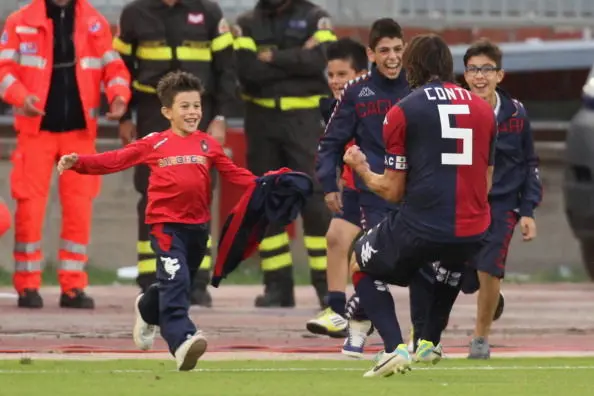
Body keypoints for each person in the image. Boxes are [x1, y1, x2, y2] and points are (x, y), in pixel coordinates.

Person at [57, 71, 256, 371]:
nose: (192, 113)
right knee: (176, 286)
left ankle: (147, 309)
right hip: (166, 227)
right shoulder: (155, 143)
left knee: (179, 283)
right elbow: (116, 159)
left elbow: (233, 173)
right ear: (167, 112)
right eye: (185, 107)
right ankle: (183, 339)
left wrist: (266, 183)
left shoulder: (208, 145)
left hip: (197, 230)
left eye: (196, 106)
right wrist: (80, 163)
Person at [344, 33, 497, 377]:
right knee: (444, 262)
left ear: (412, 66)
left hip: (424, 223)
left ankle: (393, 347)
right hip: (474, 226)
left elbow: (393, 191)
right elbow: (485, 182)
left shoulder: (403, 110)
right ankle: (428, 342)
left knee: (359, 259)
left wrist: (361, 169)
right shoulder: (484, 109)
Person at [0, 0, 131, 309]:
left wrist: (119, 98)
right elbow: (4, 72)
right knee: (30, 209)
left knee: (79, 210)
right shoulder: (20, 21)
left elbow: (114, 68)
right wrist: (22, 97)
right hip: (35, 132)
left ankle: (73, 287)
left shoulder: (94, 22)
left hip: (80, 135)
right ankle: (27, 286)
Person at [113, 0, 236, 306]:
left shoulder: (208, 12)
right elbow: (120, 70)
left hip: (198, 113)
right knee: (151, 193)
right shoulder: (133, 14)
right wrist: (125, 117)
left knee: (199, 192)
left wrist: (220, 117)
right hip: (152, 113)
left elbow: (226, 69)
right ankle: (151, 278)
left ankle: (196, 281)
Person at [309, 19, 410, 357]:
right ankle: (389, 341)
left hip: (417, 194)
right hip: (373, 193)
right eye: (384, 50)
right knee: (371, 261)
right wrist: (329, 184)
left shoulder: (419, 87)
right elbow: (330, 142)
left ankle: (356, 314)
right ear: (372, 54)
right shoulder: (358, 92)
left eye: (397, 49)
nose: (392, 57)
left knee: (407, 264)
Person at [233, 0, 337, 308]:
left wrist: (273, 57)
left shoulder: (315, 17)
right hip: (261, 121)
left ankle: (327, 289)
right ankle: (277, 287)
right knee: (265, 204)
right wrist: (295, 59)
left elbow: (320, 60)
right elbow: (247, 69)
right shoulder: (246, 22)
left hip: (303, 123)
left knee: (316, 203)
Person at [461, 39, 542, 359]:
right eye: (472, 69)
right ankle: (490, 294)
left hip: (502, 205)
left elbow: (529, 162)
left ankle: (480, 339)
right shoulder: (454, 110)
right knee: (465, 276)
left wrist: (528, 210)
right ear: (464, 75)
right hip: (462, 202)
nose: (479, 76)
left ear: (500, 75)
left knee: (491, 266)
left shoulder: (516, 113)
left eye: (486, 69)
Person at [305, 37, 368, 338]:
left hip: (390, 190)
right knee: (336, 237)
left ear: (361, 74)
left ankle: (466, 281)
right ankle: (337, 311)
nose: (334, 81)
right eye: (330, 75)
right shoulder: (333, 107)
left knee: (384, 257)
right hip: (358, 189)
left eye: (342, 75)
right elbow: (329, 147)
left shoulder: (380, 101)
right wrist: (332, 184)